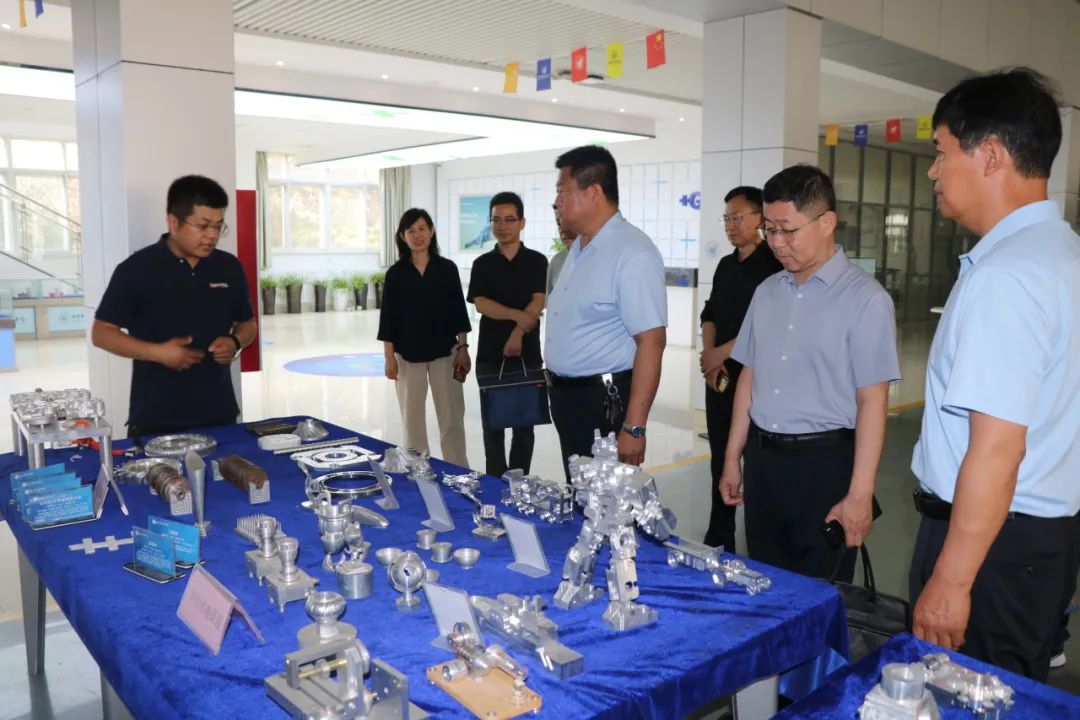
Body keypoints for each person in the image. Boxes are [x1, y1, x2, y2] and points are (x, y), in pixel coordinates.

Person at [908, 67, 1080, 681]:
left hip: (988, 551)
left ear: (990, 155)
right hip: (1035, 544)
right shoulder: (1062, 255)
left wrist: (952, 581)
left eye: (941, 152)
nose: (933, 172)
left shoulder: (1008, 276)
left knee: (965, 698)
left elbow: (998, 449)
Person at [719, 164, 899, 583]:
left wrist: (860, 494)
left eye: (787, 230)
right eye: (769, 230)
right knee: (766, 585)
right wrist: (732, 459)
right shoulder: (767, 292)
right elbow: (749, 378)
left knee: (821, 595)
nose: (776, 243)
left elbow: (872, 402)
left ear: (827, 222)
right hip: (763, 464)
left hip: (825, 468)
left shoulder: (866, 300)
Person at [92, 175, 257, 438]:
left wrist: (235, 343)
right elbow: (101, 333)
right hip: (156, 420)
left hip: (220, 416)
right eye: (202, 226)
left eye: (218, 227)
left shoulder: (229, 267)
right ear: (173, 222)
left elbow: (247, 324)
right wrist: (159, 353)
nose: (212, 236)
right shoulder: (137, 269)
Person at [545, 145, 666, 470]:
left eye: (563, 191)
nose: (557, 201)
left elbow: (652, 342)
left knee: (609, 499)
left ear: (594, 192)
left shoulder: (632, 253)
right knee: (582, 493)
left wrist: (635, 426)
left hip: (603, 403)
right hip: (567, 398)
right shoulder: (579, 248)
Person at [699, 186, 781, 551]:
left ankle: (763, 539)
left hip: (758, 378)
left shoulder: (774, 266)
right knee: (720, 455)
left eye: (738, 217)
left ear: (759, 218)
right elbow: (710, 313)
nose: (731, 225)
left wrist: (720, 353)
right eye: (726, 218)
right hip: (720, 376)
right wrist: (710, 356)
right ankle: (720, 536)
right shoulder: (725, 265)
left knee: (758, 460)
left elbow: (765, 326)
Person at [378, 208, 471, 467]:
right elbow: (388, 319)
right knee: (412, 420)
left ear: (431, 232)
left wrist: (463, 347)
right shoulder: (396, 274)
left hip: (446, 353)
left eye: (422, 229)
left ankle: (457, 469)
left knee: (451, 419)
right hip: (408, 356)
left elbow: (458, 312)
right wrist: (389, 357)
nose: (417, 235)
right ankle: (418, 471)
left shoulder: (447, 269)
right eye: (411, 231)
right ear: (402, 236)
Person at [467, 191, 548, 476]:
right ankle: (494, 485)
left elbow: (539, 301)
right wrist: (518, 316)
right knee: (493, 427)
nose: (502, 226)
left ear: (522, 222)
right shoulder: (482, 264)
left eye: (509, 219)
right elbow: (481, 303)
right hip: (490, 355)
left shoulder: (537, 261)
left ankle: (519, 484)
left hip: (528, 355)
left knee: (524, 428)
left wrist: (516, 334)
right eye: (496, 220)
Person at [546, 204, 576, 297]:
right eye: (558, 223)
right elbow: (549, 303)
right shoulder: (556, 261)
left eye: (568, 223)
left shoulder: (603, 260)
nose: (562, 229)